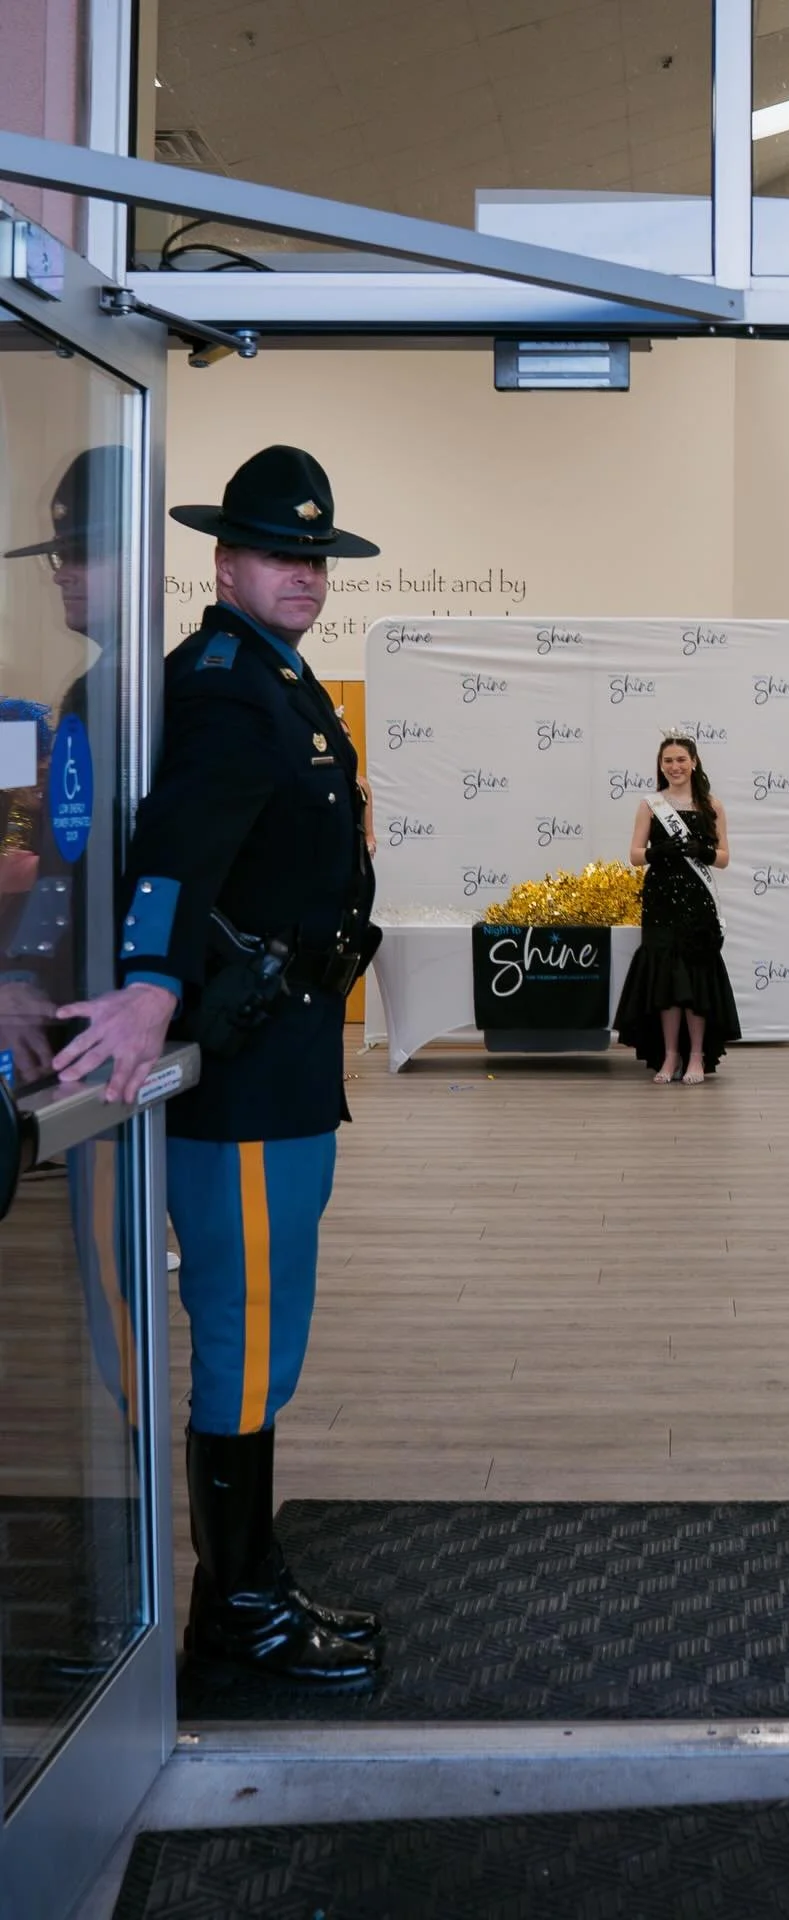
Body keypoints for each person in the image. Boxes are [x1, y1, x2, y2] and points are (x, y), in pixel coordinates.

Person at [50, 444, 387, 1688]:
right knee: (242, 1327)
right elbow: (180, 840)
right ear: (225, 562)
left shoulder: (278, 679)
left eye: (316, 558)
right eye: (279, 556)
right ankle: (234, 1606)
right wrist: (148, 984)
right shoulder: (223, 685)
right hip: (242, 1067)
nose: (303, 576)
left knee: (269, 1318)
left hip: (287, 1055)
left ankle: (250, 1580)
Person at [616, 733, 741, 1084]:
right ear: (661, 765)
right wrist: (661, 851)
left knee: (696, 978)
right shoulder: (650, 805)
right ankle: (670, 1055)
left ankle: (697, 1055)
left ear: (694, 762)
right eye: (668, 761)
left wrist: (701, 850)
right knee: (666, 981)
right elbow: (635, 855)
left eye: (681, 760)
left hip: (696, 901)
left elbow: (724, 858)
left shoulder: (712, 806)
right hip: (661, 900)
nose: (675, 767)